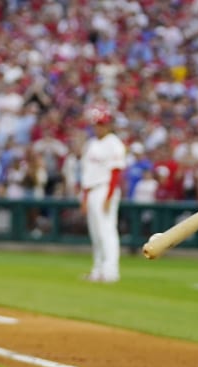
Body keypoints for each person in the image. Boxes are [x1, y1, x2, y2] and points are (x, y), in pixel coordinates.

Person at [79, 104, 126, 283]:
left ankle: (111, 271)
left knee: (107, 230)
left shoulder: (114, 143)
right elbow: (86, 172)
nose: (100, 127)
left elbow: (116, 172)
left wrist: (108, 196)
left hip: (105, 188)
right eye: (97, 124)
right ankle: (98, 270)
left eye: (103, 124)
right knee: (95, 232)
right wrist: (84, 197)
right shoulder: (91, 144)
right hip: (91, 189)